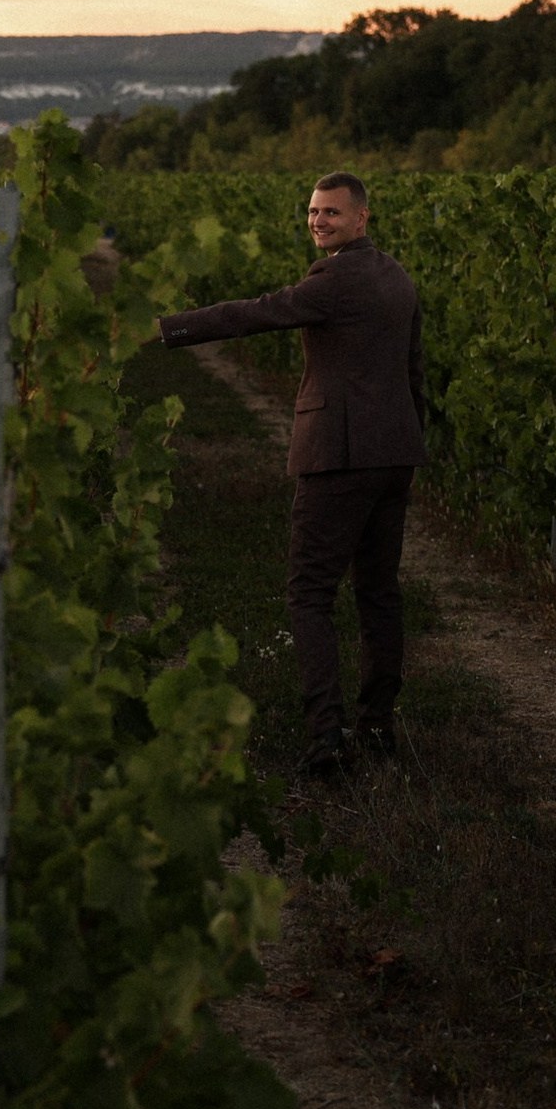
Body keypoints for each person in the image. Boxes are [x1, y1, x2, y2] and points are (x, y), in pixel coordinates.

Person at [154, 172, 425, 777]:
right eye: (311, 211)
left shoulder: (333, 278)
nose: (317, 221)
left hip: (338, 455)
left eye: (330, 212)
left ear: (362, 218)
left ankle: (327, 738)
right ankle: (378, 726)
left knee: (310, 594)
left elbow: (255, 314)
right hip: (394, 454)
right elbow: (414, 370)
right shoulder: (397, 276)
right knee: (380, 593)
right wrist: (409, 441)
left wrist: (166, 329)